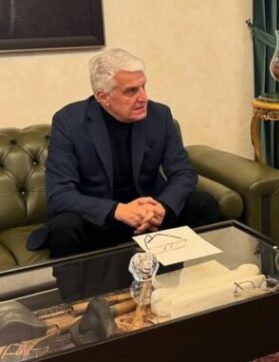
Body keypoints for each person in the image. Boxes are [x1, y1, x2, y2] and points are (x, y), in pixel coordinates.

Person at [27, 48, 219, 299]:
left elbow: (183, 172)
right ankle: (77, 307)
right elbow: (60, 194)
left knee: (203, 204)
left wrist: (162, 207)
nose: (143, 97)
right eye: (131, 91)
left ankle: (195, 293)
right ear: (103, 97)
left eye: (143, 86)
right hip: (100, 219)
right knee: (65, 227)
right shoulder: (69, 122)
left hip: (149, 215)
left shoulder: (159, 116)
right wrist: (117, 210)